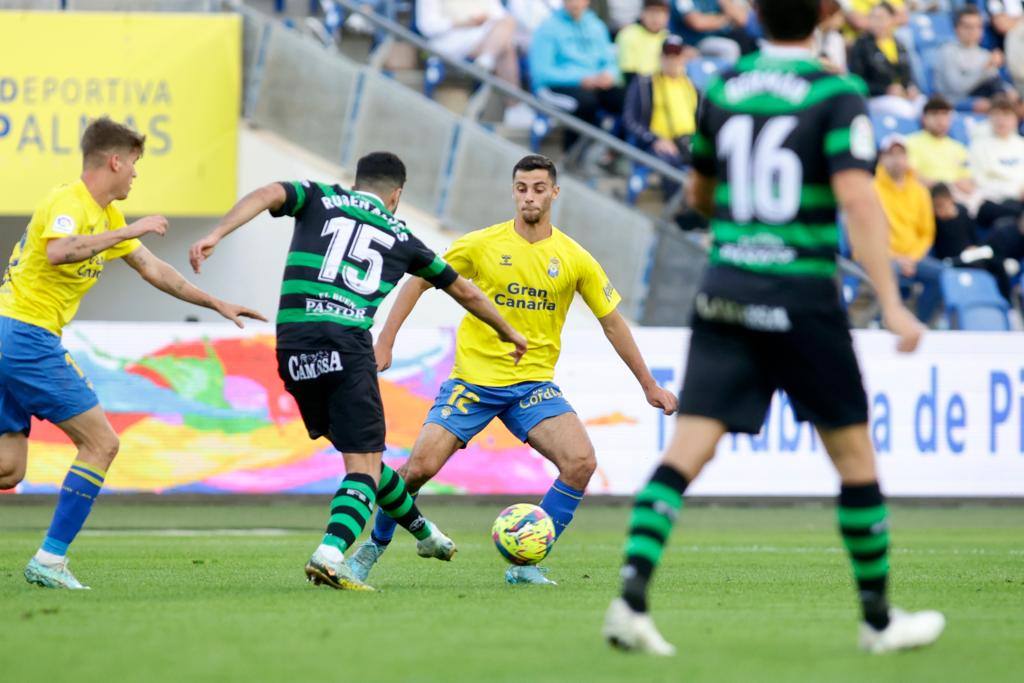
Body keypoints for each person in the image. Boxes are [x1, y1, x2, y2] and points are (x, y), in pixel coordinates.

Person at [602, 0, 944, 656]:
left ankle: (630, 597)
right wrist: (893, 301)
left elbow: (698, 197)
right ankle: (877, 620)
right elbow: (857, 198)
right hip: (801, 297)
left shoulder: (724, 88)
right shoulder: (834, 92)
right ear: (824, 14)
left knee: (686, 452)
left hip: (726, 292)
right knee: (854, 460)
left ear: (755, 14)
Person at [187, 152, 528, 591]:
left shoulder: (319, 195)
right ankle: (330, 555)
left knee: (365, 458)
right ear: (396, 195)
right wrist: (509, 332)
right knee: (363, 466)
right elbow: (464, 290)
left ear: (357, 180)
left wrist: (216, 233)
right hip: (346, 344)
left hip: (293, 347)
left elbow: (269, 191)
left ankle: (426, 535)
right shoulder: (402, 235)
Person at [349, 154, 678, 587]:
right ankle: (369, 550)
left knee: (580, 462)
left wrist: (649, 383)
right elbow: (417, 281)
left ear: (554, 193)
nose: (530, 197)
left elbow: (612, 321)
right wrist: (385, 340)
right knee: (416, 471)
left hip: (532, 387)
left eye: (539, 188)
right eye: (522, 188)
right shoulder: (481, 244)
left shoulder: (574, 258)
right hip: (472, 382)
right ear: (513, 192)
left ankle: (525, 565)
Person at [0, 117, 266, 589]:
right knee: (102, 443)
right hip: (24, 337)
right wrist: (130, 230)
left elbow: (152, 269)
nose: (136, 176)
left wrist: (215, 302)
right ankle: (50, 559)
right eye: (135, 164)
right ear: (114, 160)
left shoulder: (109, 218)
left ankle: (50, 558)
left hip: (16, 337)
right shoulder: (69, 202)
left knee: (9, 468)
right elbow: (61, 251)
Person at [416, 0, 534, 127]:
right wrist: (463, 23)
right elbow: (426, 26)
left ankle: (485, 61)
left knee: (507, 30)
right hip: (448, 40)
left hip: (482, 36)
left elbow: (499, 15)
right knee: (505, 47)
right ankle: (513, 106)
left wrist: (483, 20)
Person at [529, 0, 626, 150]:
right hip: (556, 87)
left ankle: (611, 155)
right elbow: (541, 73)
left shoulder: (596, 25)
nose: (576, 3)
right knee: (586, 102)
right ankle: (572, 154)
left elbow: (609, 61)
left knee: (626, 99)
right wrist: (580, 79)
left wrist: (609, 75)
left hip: (593, 84)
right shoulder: (548, 27)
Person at [874, 134, 946, 324]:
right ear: (882, 158)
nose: (897, 159)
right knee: (888, 271)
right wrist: (894, 257)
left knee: (944, 274)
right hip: (881, 257)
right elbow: (866, 236)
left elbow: (926, 233)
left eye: (901, 154)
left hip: (914, 257)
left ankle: (919, 324)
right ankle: (887, 325)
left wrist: (912, 258)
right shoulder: (871, 189)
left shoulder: (920, 191)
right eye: (892, 154)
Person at [623, 35, 699, 197]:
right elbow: (629, 119)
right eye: (668, 55)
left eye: (676, 55)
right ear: (661, 57)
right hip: (656, 144)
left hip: (687, 143)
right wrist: (654, 139)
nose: (672, 60)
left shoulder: (692, 85)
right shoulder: (645, 83)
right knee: (669, 162)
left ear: (683, 58)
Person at [847, 2, 923, 120]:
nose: (876, 22)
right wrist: (885, 90)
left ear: (892, 20)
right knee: (905, 110)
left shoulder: (899, 44)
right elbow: (857, 81)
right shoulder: (861, 45)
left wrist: (909, 88)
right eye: (872, 18)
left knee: (924, 105)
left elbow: (907, 76)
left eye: (881, 18)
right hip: (876, 98)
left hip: (901, 97)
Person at [935, 6, 1017, 112]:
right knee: (990, 106)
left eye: (977, 26)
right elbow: (957, 89)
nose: (973, 31)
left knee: (1013, 101)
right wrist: (986, 68)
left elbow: (996, 82)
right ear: (957, 28)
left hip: (987, 97)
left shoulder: (985, 54)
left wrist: (1010, 91)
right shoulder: (947, 52)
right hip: (956, 101)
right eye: (967, 27)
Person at [905, 95, 979, 207]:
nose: (940, 120)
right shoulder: (910, 143)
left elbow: (967, 181)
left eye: (944, 115)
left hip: (960, 196)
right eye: (935, 114)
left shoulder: (958, 147)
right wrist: (944, 185)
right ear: (924, 118)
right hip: (931, 196)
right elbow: (912, 177)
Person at [970, 94, 1024, 227]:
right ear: (989, 118)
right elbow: (979, 183)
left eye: (1006, 115)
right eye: (996, 115)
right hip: (992, 202)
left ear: (1015, 119)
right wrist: (1016, 191)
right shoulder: (978, 146)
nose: (1001, 120)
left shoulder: (1021, 145)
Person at [672, 0, 758, 63]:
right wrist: (726, 19)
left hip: (719, 37)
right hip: (694, 43)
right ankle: (728, 82)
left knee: (749, 39)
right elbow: (698, 23)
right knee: (729, 48)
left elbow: (742, 20)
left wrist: (725, 4)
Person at [616, 0, 672, 81]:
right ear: (642, 13)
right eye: (651, 12)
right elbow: (628, 73)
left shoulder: (669, 38)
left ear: (667, 16)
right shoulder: (628, 34)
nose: (655, 18)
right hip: (636, 88)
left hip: (663, 87)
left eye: (660, 12)